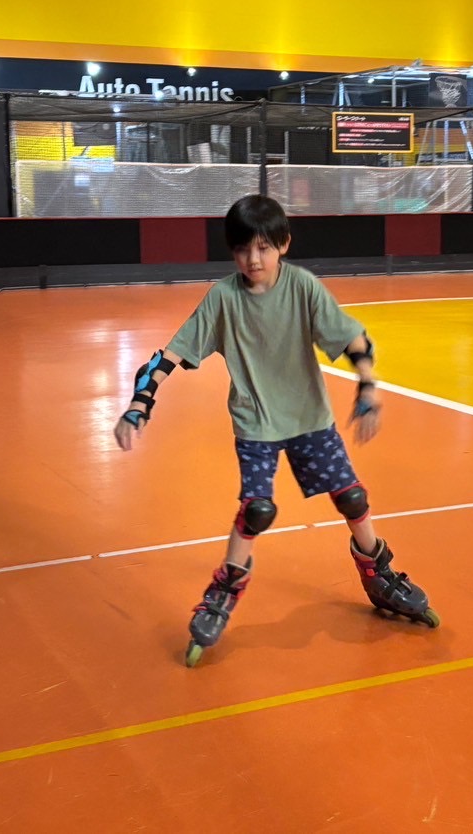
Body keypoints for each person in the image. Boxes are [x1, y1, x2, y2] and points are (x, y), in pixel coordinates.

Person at [114, 194, 438, 666]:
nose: (253, 259)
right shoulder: (223, 298)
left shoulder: (301, 287)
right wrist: (141, 402)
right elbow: (171, 354)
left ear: (283, 244)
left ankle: (378, 574)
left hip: (309, 417)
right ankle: (224, 589)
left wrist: (368, 386)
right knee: (257, 510)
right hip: (256, 421)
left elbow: (351, 336)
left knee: (352, 497)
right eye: (243, 249)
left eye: (264, 247)